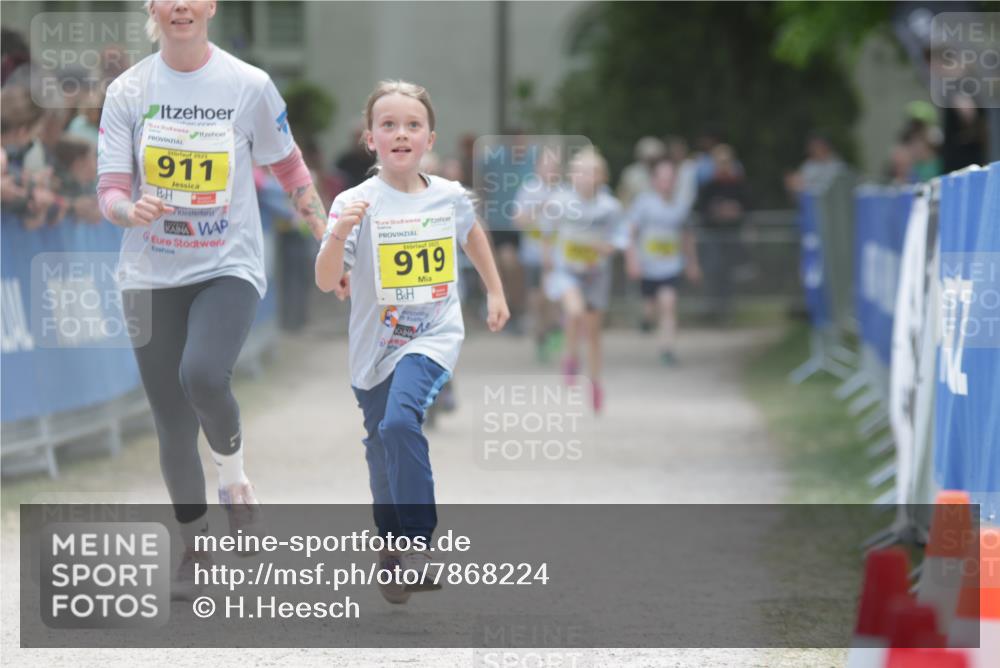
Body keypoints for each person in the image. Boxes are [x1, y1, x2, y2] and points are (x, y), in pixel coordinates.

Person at [96, 0, 328, 599]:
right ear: (153, 7)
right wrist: (129, 209)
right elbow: (111, 188)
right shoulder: (128, 90)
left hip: (229, 263)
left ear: (210, 7)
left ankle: (234, 480)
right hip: (149, 272)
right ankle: (194, 546)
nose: (180, 6)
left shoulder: (248, 85)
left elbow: (291, 169)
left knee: (202, 374)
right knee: (171, 420)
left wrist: (328, 239)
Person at [315, 80, 509, 603]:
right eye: (389, 125)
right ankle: (393, 548)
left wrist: (494, 290)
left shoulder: (448, 194)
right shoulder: (355, 202)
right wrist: (337, 236)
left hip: (432, 333)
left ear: (429, 138)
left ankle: (418, 544)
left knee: (402, 421)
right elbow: (325, 277)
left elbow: (471, 231)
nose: (401, 133)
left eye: (412, 125)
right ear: (370, 138)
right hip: (373, 346)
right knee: (381, 446)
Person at [544, 148, 628, 412]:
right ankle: (570, 358)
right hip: (566, 270)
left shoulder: (610, 206)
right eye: (578, 172)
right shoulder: (560, 200)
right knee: (575, 311)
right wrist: (547, 260)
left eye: (589, 172)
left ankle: (595, 382)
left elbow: (621, 236)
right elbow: (547, 231)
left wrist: (610, 247)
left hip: (596, 275)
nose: (583, 177)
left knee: (593, 333)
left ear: (601, 177)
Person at [625, 157, 701, 364]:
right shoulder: (643, 204)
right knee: (650, 307)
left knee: (668, 303)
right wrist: (632, 260)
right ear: (654, 180)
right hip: (648, 268)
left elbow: (687, 236)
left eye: (670, 178)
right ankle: (646, 320)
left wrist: (692, 263)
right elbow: (630, 233)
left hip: (671, 267)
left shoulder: (681, 206)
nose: (667, 183)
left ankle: (667, 349)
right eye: (663, 178)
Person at [512, 148, 563, 362]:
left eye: (554, 166)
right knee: (536, 300)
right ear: (538, 167)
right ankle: (542, 335)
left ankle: (554, 331)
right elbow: (518, 220)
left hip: (557, 256)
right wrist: (539, 208)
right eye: (546, 165)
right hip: (533, 255)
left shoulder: (564, 192)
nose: (549, 170)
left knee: (551, 297)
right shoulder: (529, 190)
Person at [696, 144, 749, 324]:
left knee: (729, 272)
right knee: (713, 270)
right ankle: (712, 308)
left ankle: (728, 308)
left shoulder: (738, 185)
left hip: (732, 236)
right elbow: (701, 211)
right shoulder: (709, 186)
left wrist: (735, 212)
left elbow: (748, 207)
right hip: (713, 236)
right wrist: (716, 212)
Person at [616, 136, 664, 208]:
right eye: (650, 158)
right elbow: (623, 198)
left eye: (655, 158)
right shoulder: (630, 174)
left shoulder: (665, 173)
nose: (652, 161)